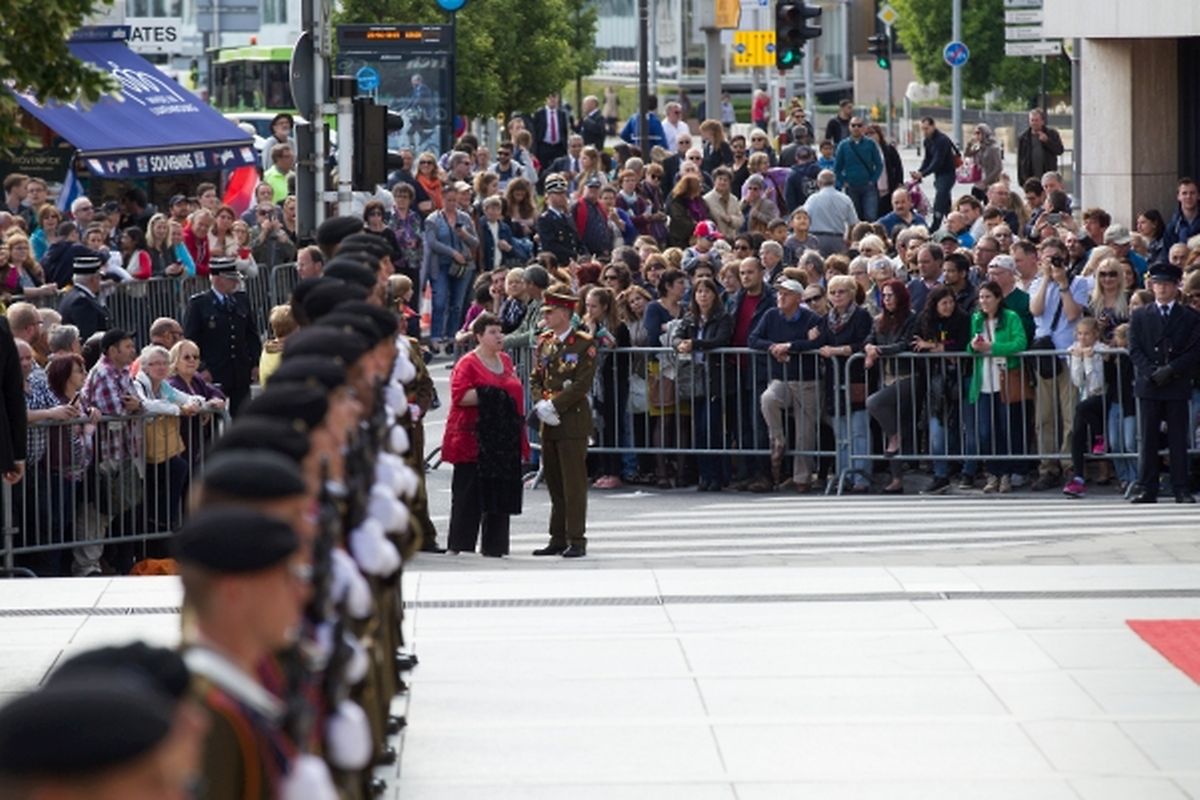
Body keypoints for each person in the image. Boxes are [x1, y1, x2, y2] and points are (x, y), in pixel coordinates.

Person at [174, 507, 308, 800]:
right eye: (286, 578)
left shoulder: (250, 679)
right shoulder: (211, 719)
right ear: (235, 592)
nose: (301, 592)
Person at [443, 312, 528, 556]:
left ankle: (495, 547)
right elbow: (461, 396)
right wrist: (495, 395)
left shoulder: (506, 360)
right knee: (468, 493)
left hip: (502, 439)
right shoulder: (467, 363)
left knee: (499, 492)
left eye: (500, 331)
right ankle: (460, 544)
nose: (499, 336)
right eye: (492, 332)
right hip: (474, 437)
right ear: (479, 336)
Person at [529, 290, 597, 558]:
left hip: (571, 419)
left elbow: (581, 384)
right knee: (555, 483)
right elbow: (536, 377)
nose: (546, 316)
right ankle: (557, 537)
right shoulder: (545, 342)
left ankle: (576, 538)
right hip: (549, 422)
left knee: (573, 484)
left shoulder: (583, 344)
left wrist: (555, 405)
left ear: (565, 313)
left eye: (551, 312)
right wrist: (540, 403)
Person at [1127, 263, 1200, 503]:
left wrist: (1171, 369)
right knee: (1148, 438)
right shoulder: (1140, 315)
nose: (1162, 289)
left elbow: (1194, 350)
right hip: (1150, 384)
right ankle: (1147, 487)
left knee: (1178, 438)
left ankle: (1181, 487)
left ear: (1176, 286)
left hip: (1176, 383)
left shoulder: (1189, 316)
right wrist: (1151, 372)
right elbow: (1135, 349)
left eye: (1167, 284)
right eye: (1158, 284)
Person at [748, 277, 822, 492]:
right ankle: (778, 439)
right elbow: (753, 339)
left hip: (807, 380)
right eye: (779, 293)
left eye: (786, 294)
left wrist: (790, 346)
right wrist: (773, 347)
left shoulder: (811, 318)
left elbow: (817, 342)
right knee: (768, 398)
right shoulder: (771, 315)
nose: (781, 297)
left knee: (804, 432)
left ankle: (802, 478)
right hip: (781, 377)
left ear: (798, 298)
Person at [965, 281, 1029, 494]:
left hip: (1004, 380)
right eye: (981, 297)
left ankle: (1007, 474)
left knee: (1006, 429)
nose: (984, 301)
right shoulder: (976, 319)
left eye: (988, 297)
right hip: (983, 382)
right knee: (985, 432)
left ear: (998, 298)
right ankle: (992, 472)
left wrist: (992, 347)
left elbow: (1020, 343)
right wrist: (973, 346)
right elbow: (969, 348)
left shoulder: (1010, 317)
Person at [182, 257, 261, 416]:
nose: (235, 282)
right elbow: (191, 340)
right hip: (214, 371)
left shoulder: (241, 299)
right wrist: (201, 368)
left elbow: (251, 334)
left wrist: (255, 362)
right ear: (217, 279)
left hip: (239, 371)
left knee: (243, 415)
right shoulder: (199, 304)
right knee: (213, 417)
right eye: (230, 279)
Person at [913, 285, 972, 494]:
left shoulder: (962, 319)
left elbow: (964, 346)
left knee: (965, 427)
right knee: (937, 429)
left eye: (951, 302)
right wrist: (941, 350)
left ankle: (967, 470)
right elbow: (915, 345)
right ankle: (940, 475)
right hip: (936, 381)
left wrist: (934, 346)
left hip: (961, 377)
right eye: (944, 303)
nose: (949, 306)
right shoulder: (924, 319)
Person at [818, 274, 874, 492]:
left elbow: (863, 342)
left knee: (858, 429)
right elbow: (820, 342)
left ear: (851, 293)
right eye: (832, 292)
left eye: (841, 292)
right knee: (840, 432)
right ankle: (844, 474)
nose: (837, 296)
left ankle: (861, 476)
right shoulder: (826, 319)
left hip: (856, 377)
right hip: (834, 379)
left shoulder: (861, 316)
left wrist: (838, 351)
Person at [910, 117, 958, 229]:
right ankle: (954, 223)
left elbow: (937, 161)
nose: (924, 131)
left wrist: (923, 174)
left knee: (939, 200)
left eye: (926, 128)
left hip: (947, 173)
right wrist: (919, 171)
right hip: (939, 175)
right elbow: (927, 159)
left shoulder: (942, 140)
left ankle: (935, 226)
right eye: (922, 129)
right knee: (945, 202)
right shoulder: (927, 141)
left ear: (933, 126)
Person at [833, 117, 883, 222]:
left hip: (868, 187)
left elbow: (879, 165)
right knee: (854, 218)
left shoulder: (870, 144)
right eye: (853, 125)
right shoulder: (843, 145)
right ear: (849, 127)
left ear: (864, 128)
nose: (856, 128)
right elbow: (837, 168)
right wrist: (844, 181)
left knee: (871, 216)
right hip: (851, 187)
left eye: (859, 125)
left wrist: (873, 180)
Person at [802, 169, 858, 255]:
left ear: (818, 183)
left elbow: (805, 218)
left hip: (817, 239)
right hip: (838, 239)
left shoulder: (812, 199)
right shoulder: (845, 199)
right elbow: (853, 223)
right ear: (834, 182)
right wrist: (849, 238)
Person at [58, 255, 110, 341]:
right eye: (99, 277)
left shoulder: (73, 295)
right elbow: (89, 337)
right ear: (93, 279)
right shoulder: (82, 302)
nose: (100, 281)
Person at [1017, 109, 1065, 186]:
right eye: (1032, 120)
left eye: (1036, 120)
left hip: (1048, 179)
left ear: (1042, 121)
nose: (1034, 123)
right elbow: (1020, 160)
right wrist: (1021, 181)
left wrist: (1047, 141)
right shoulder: (1023, 138)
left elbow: (1060, 150)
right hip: (1030, 179)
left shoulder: (1052, 134)